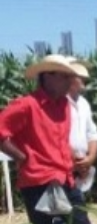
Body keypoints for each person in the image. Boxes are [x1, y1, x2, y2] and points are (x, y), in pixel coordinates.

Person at [0, 55, 91, 224]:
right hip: (41, 182)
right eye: (65, 76)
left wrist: (75, 162)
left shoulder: (64, 104)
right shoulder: (27, 105)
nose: (70, 82)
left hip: (66, 178)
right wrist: (21, 157)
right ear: (48, 77)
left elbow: (60, 141)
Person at [67, 59, 97, 194]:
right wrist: (76, 160)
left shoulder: (84, 103)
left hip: (81, 169)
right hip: (66, 168)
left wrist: (91, 157)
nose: (84, 78)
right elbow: (57, 135)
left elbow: (92, 133)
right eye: (80, 75)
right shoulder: (59, 103)